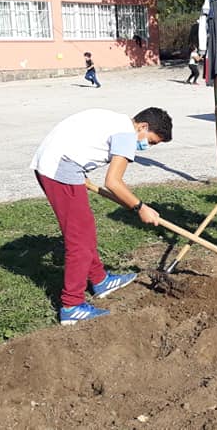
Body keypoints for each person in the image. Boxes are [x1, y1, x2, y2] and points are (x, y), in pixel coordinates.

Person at [30, 107, 173, 324]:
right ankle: (72, 305)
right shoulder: (126, 134)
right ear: (143, 126)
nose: (147, 147)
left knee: (85, 232)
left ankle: (100, 280)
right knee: (79, 241)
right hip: (61, 170)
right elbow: (113, 182)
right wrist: (141, 207)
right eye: (151, 142)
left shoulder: (117, 121)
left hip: (60, 165)